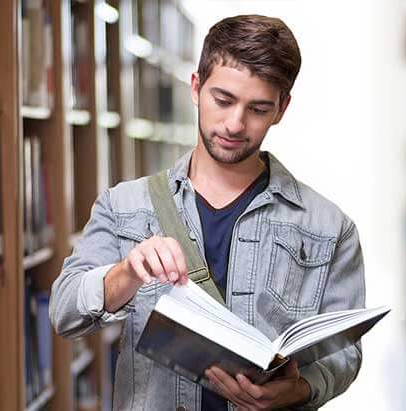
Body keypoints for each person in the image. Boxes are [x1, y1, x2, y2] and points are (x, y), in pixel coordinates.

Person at [49, 14, 365, 411]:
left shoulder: (330, 228)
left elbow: (345, 355)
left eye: (258, 108)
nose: (235, 123)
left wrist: (299, 390)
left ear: (282, 109)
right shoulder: (125, 205)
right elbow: (64, 312)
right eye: (224, 100)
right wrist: (126, 273)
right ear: (196, 87)